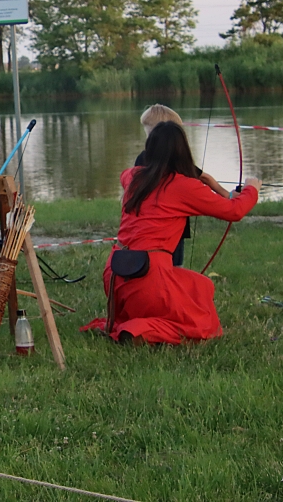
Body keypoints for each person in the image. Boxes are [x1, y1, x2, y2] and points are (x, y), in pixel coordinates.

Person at [81, 122, 261, 345]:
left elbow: (124, 174)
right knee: (203, 326)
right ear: (182, 151)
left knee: (202, 286)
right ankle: (137, 331)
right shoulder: (183, 186)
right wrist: (251, 189)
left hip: (115, 275)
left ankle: (131, 323)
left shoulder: (133, 177)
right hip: (149, 277)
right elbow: (234, 211)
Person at [134, 104, 229, 267]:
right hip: (159, 226)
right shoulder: (151, 159)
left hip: (168, 227)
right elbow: (205, 178)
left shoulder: (159, 160)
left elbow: (204, 178)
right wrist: (227, 195)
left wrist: (227, 195)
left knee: (171, 266)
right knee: (165, 267)